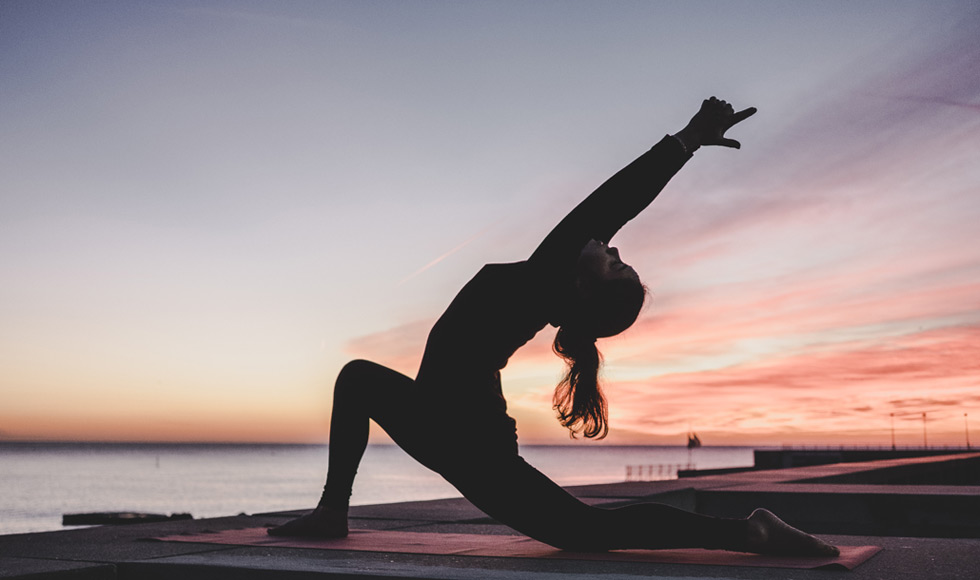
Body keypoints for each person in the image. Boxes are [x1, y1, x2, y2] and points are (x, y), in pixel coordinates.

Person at [269, 98, 839, 556]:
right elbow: (610, 213)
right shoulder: (545, 286)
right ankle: (332, 511)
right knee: (357, 379)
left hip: (466, 440)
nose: (611, 246)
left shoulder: (547, 278)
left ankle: (748, 532)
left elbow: (614, 201)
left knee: (586, 534)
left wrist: (687, 140)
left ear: (584, 289)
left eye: (615, 262)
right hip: (442, 421)